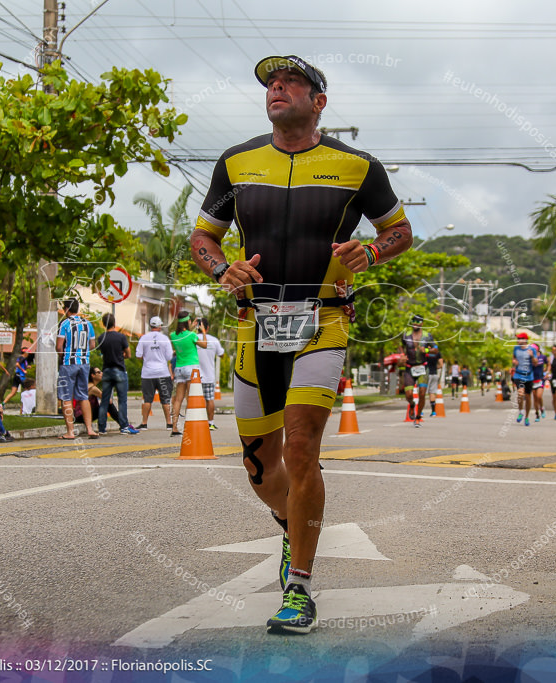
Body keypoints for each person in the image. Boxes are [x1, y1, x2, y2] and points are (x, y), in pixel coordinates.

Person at [190, 54, 412, 635]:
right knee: (260, 468)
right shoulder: (235, 163)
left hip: (323, 320)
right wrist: (221, 271)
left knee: (301, 448)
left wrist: (369, 252)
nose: (276, 89)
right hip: (252, 325)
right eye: (270, 83)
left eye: (290, 82)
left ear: (319, 101)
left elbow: (400, 232)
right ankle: (294, 524)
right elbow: (203, 238)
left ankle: (299, 589)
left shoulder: (357, 166)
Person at [56, 298, 97, 440]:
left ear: (67, 309)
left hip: (69, 362)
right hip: (84, 363)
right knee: (83, 396)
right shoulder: (87, 323)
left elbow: (59, 346)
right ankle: (90, 429)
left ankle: (70, 432)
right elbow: (92, 345)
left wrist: (63, 356)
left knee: (66, 397)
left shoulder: (65, 324)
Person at [97, 313, 139, 435]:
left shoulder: (101, 338)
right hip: (119, 369)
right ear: (114, 323)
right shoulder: (121, 337)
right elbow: (129, 353)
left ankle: (101, 428)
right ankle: (124, 426)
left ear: (104, 324)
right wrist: (122, 356)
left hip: (106, 370)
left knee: (105, 400)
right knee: (122, 400)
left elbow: (102, 352)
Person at [168, 311, 208, 436]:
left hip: (179, 368)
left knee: (178, 399)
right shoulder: (192, 335)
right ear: (188, 322)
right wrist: (203, 332)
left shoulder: (173, 335)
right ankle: (188, 426)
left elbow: (184, 335)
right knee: (191, 398)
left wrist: (190, 328)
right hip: (191, 368)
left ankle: (174, 427)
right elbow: (205, 345)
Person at [135, 316, 174, 430]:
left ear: (150, 326)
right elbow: (169, 356)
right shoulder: (165, 339)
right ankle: (169, 423)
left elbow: (138, 355)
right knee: (165, 399)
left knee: (147, 399)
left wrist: (147, 357)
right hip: (162, 372)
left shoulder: (144, 338)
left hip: (148, 373)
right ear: (160, 326)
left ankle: (144, 423)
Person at [400, 315, 434, 426]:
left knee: (422, 393)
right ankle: (412, 405)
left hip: (423, 367)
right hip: (410, 368)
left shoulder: (427, 336)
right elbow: (401, 346)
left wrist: (427, 349)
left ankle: (418, 417)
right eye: (413, 321)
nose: (415, 323)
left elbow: (436, 349)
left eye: (418, 321)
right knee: (409, 394)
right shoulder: (406, 335)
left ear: (422, 323)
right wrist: (402, 355)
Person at [196, 317, 225, 430]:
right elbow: (221, 354)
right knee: (210, 399)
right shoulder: (214, 340)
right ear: (207, 328)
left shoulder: (193, 338)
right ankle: (210, 423)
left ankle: (197, 422)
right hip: (209, 376)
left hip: (195, 377)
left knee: (195, 400)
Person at [511, 332, 539, 427]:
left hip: (529, 376)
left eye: (520, 339)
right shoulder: (516, 348)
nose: (518, 340)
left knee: (528, 397)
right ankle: (521, 411)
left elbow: (536, 363)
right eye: (518, 339)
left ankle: (526, 417)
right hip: (518, 375)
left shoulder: (532, 350)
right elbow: (513, 358)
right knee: (520, 393)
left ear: (525, 340)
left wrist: (531, 356)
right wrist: (514, 361)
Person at [424, 342, 442, 416]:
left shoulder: (425, 352)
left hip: (426, 374)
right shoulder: (437, 353)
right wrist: (436, 367)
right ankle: (433, 411)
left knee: (423, 393)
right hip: (434, 374)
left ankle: (420, 411)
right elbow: (441, 364)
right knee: (432, 393)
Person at [531, 343, 547, 422]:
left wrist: (546, 371)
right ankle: (537, 414)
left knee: (539, 396)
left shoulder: (542, 357)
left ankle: (542, 408)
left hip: (540, 379)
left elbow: (548, 364)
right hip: (532, 380)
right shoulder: (530, 357)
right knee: (535, 398)